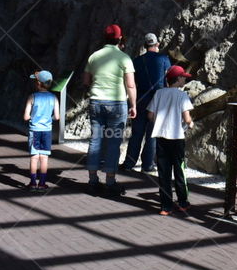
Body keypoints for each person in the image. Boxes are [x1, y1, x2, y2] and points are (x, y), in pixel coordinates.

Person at [83, 24, 137, 195]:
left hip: (96, 102)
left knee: (96, 140)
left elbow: (86, 81)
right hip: (116, 103)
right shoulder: (124, 58)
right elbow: (130, 84)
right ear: (120, 38)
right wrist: (133, 104)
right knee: (113, 142)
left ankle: (92, 180)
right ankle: (110, 182)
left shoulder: (94, 56)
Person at [147, 65, 194, 216]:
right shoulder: (182, 95)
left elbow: (150, 115)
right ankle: (182, 203)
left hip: (161, 137)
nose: (185, 80)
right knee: (179, 170)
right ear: (178, 78)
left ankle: (165, 206)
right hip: (177, 137)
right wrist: (191, 124)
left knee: (164, 172)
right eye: (183, 77)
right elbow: (187, 118)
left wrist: (160, 122)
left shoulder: (159, 93)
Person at [121, 32, 171, 174]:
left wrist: (132, 104)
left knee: (136, 133)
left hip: (141, 98)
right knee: (152, 134)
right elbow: (168, 81)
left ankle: (129, 163)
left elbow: (133, 83)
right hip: (158, 100)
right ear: (157, 44)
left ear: (144, 45)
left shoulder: (137, 61)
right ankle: (147, 165)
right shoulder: (164, 59)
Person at [23, 70, 59, 191]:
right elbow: (57, 117)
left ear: (38, 83)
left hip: (35, 130)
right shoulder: (54, 98)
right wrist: (48, 118)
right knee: (44, 158)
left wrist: (35, 116)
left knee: (34, 157)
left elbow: (26, 117)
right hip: (47, 131)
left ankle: (33, 183)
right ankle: (42, 183)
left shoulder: (32, 97)